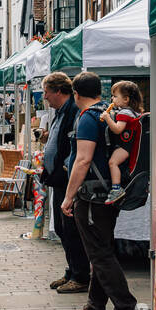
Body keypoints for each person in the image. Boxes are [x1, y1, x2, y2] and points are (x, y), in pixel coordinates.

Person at [62, 71, 138, 310]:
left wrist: (68, 196)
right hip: (108, 192)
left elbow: (83, 160)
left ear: (76, 94)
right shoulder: (107, 113)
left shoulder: (87, 118)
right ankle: (95, 307)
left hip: (93, 195)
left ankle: (125, 307)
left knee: (100, 253)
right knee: (100, 250)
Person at [41, 72, 88, 294]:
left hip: (67, 179)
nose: (45, 97)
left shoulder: (73, 111)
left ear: (59, 91)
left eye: (47, 92)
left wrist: (60, 168)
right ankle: (73, 271)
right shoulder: (60, 112)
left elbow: (74, 148)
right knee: (61, 227)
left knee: (69, 228)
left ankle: (80, 276)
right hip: (58, 179)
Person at [100, 81, 144, 205]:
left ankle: (116, 189)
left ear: (126, 99)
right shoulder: (133, 112)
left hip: (125, 147)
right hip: (129, 146)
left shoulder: (124, 113)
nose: (112, 99)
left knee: (112, 162)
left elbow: (117, 129)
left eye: (115, 96)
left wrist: (107, 118)